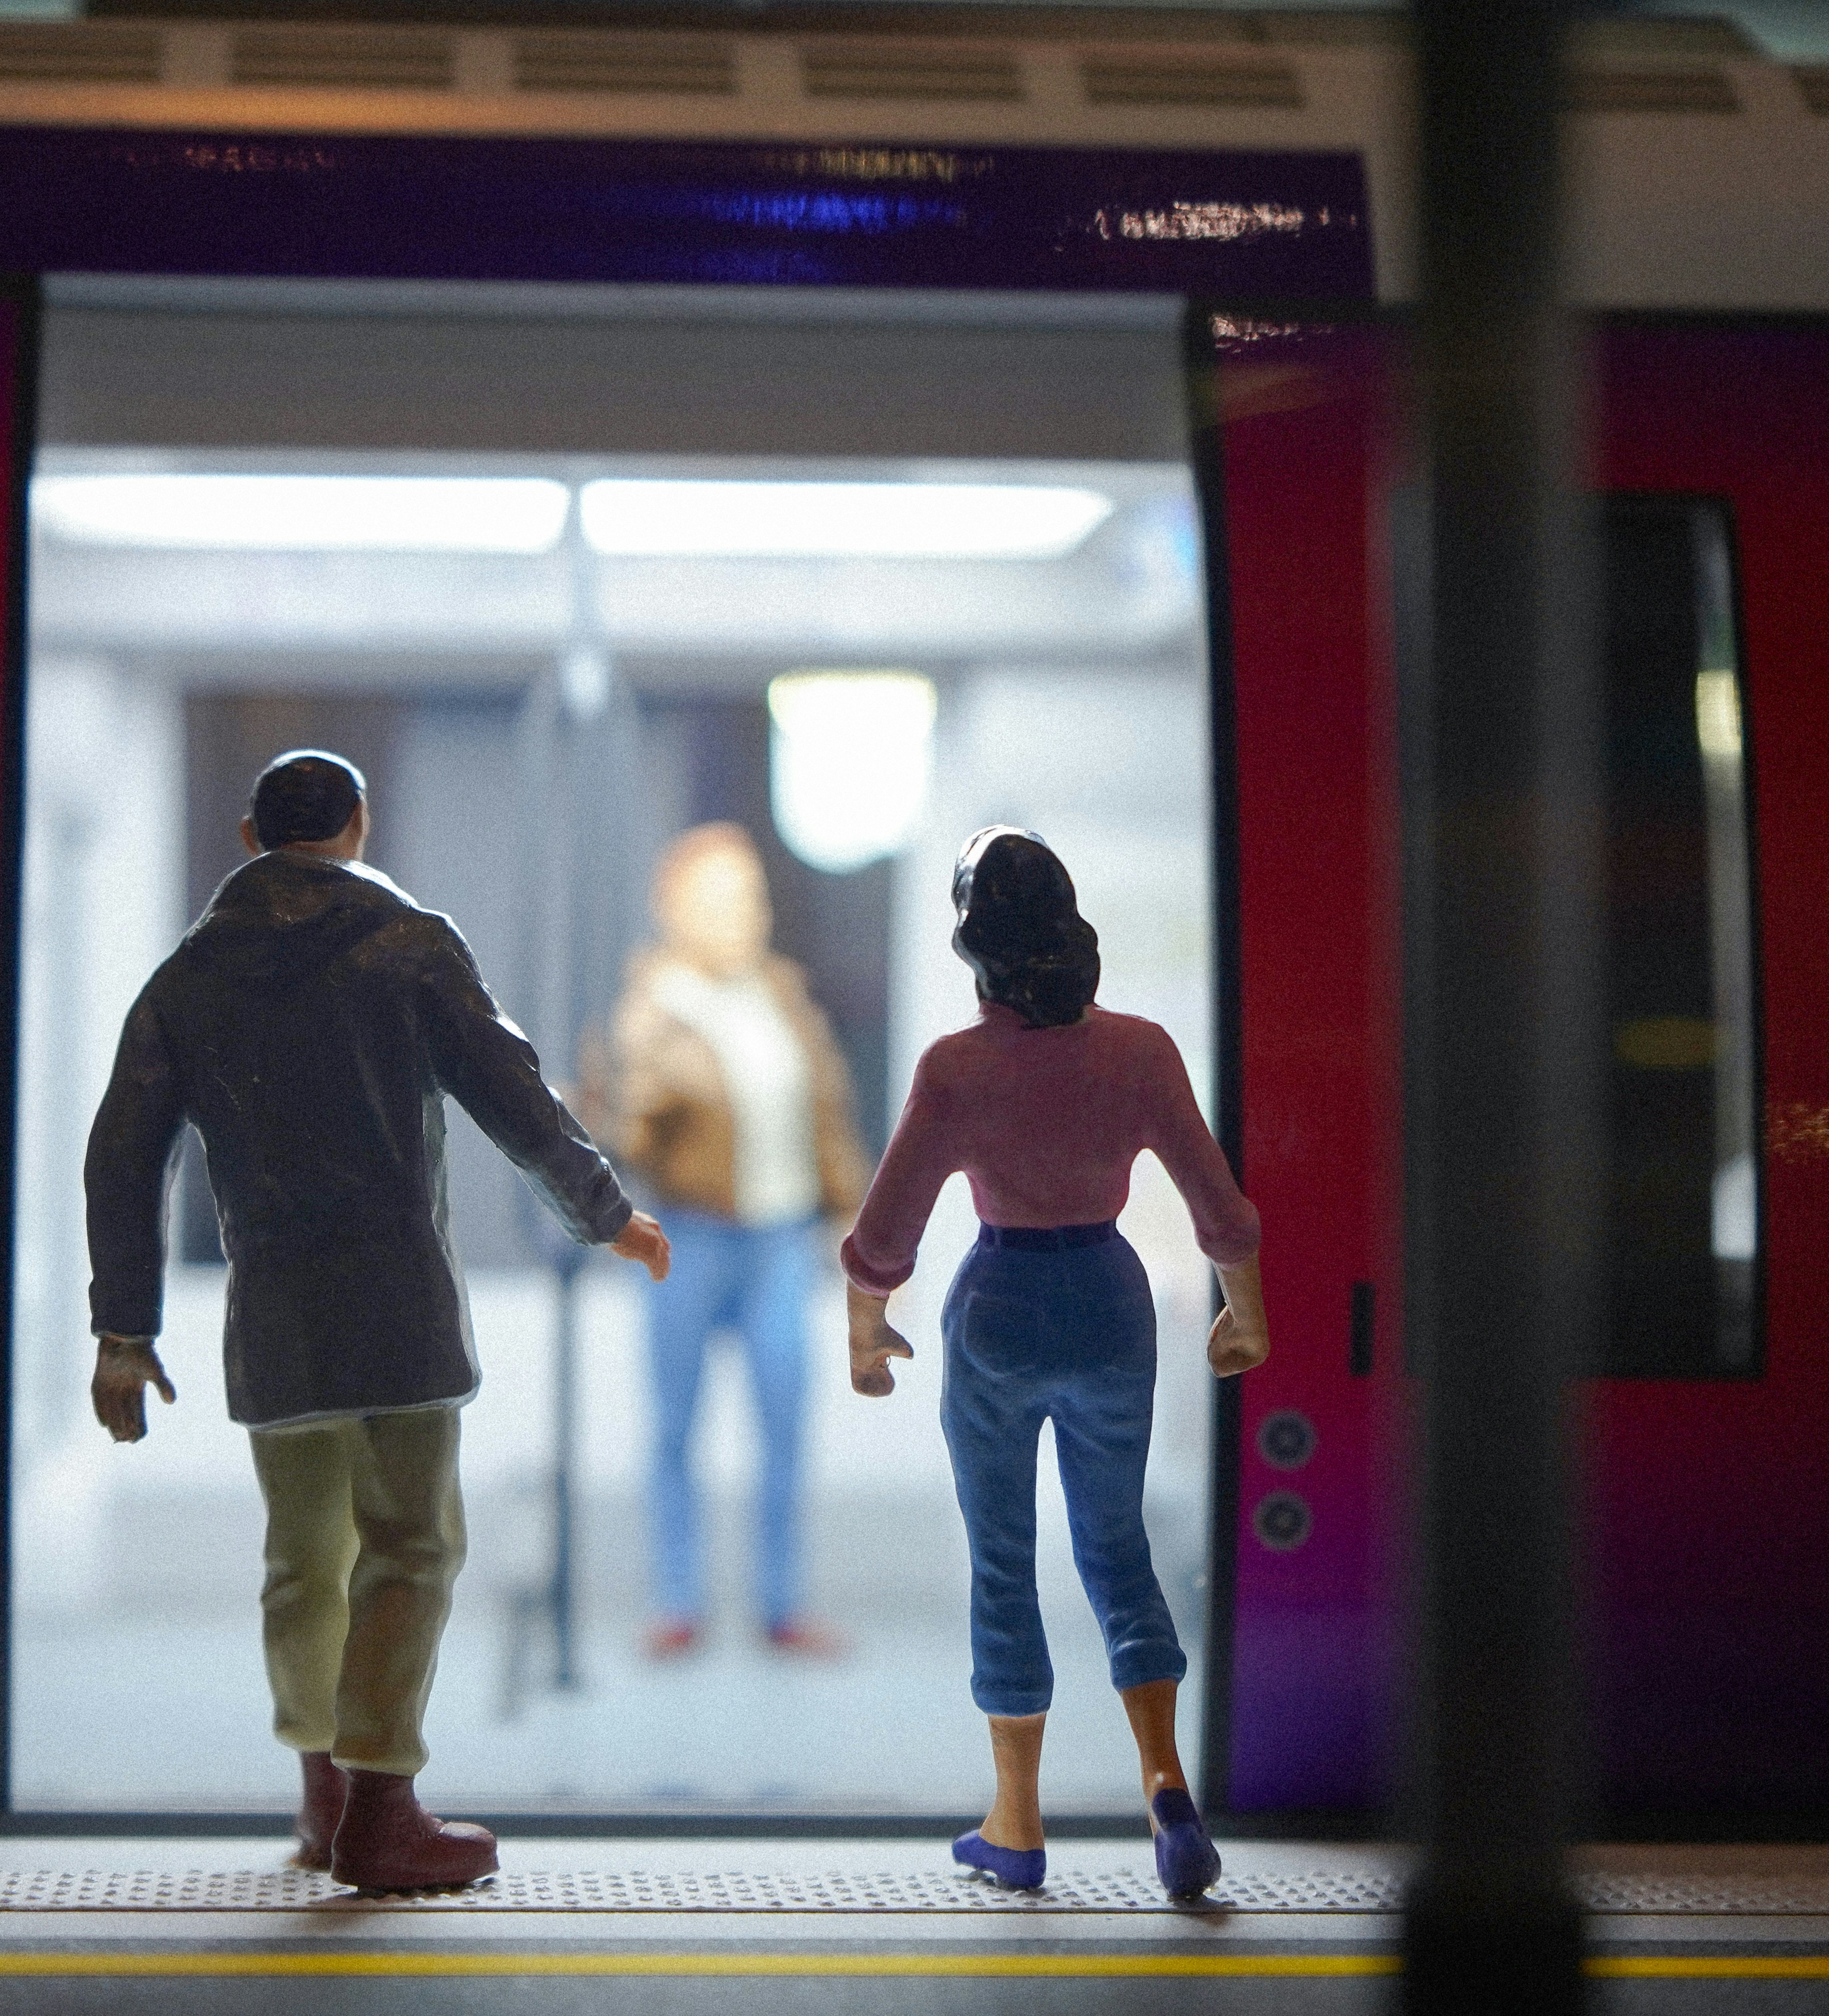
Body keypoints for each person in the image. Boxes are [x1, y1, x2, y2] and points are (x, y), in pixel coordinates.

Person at [83, 749, 671, 1893]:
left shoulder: (184, 977)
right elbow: (516, 1094)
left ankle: (320, 1789)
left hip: (274, 1309)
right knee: (408, 1544)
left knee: (302, 1556)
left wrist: (123, 1327)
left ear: (251, 833)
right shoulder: (409, 945)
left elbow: (121, 1158)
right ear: (358, 822)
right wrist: (606, 1215)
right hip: (396, 1300)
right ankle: (382, 1804)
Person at [841, 827, 1267, 1903]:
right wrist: (1243, 1316)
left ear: (971, 939)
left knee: (1001, 1556)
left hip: (999, 1304)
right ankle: (1167, 1787)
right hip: (1111, 1301)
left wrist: (867, 1327)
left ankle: (1016, 1821)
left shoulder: (955, 1067)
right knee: (1117, 1548)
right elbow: (1220, 1210)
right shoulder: (1141, 1050)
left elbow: (883, 1229)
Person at [592, 824, 868, 1659]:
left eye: (750, 895)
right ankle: (679, 1600)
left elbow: (828, 1111)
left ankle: (782, 1603)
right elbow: (626, 1125)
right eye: (719, 897)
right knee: (675, 1423)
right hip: (690, 1235)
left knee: (785, 1418)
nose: (742, 914)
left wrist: (856, 1214)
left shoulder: (781, 994)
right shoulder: (655, 1004)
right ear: (674, 908)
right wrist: (633, 1096)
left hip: (781, 1238)